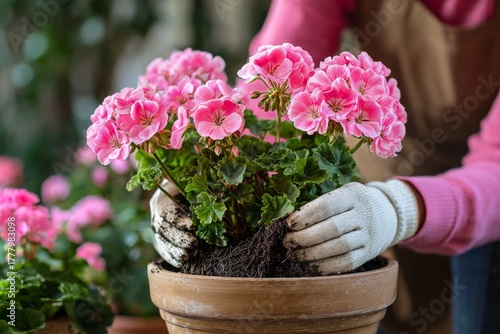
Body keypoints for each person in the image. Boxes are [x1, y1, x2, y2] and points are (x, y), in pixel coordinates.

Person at [150, 1, 500, 333]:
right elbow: (272, 80)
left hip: (477, 202)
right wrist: (198, 188)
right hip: (367, 184)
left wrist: (401, 208)